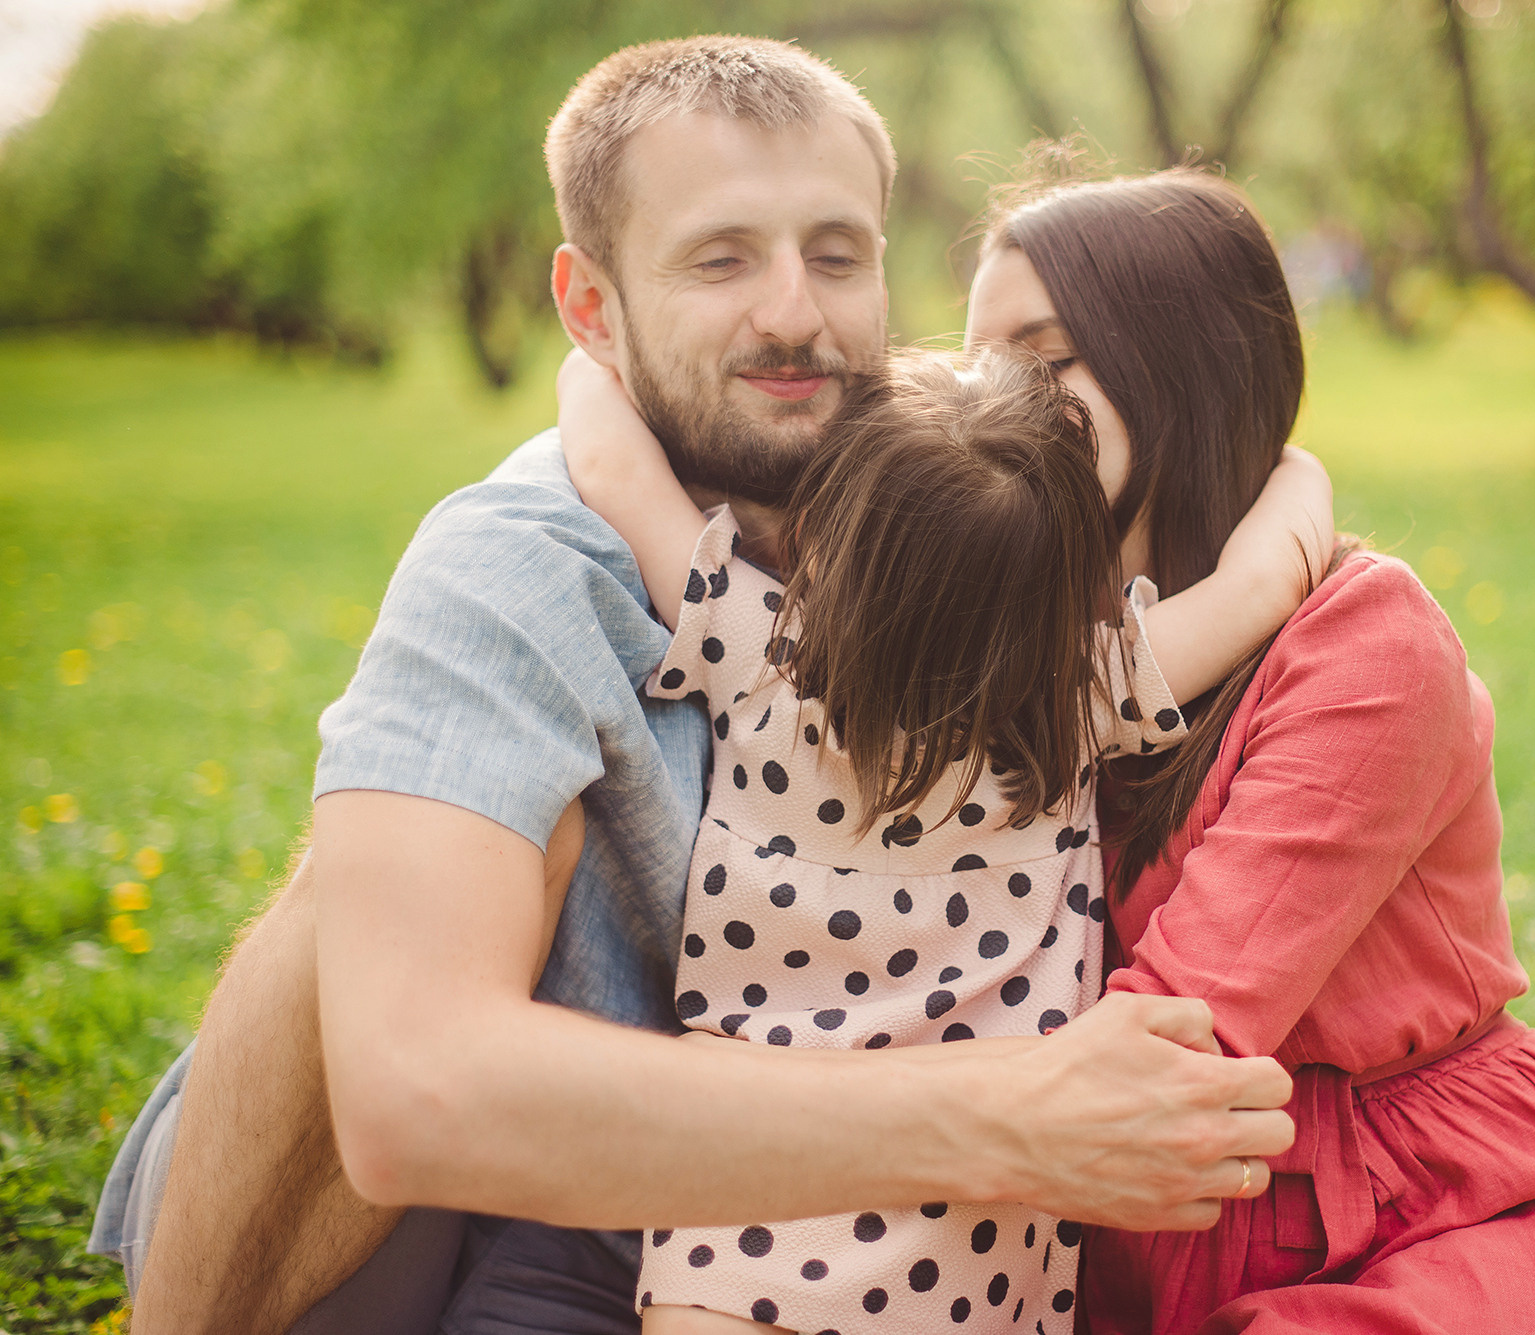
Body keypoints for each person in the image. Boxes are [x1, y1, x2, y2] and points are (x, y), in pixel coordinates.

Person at [90, 40, 1294, 1335]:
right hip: (419, 1231)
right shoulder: (524, 561)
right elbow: (411, 1094)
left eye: (837, 254)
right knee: (370, 884)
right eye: (721, 259)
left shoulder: (973, 550)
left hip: (780, 1244)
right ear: (592, 309)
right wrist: (1012, 1109)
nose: (794, 313)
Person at [962, 166, 1535, 1335]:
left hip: (1435, 1206)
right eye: (973, 360)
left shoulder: (1363, 642)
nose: (987, 399)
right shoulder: (1013, 650)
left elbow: (1182, 1036)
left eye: (1047, 355)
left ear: (1181, 367)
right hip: (1127, 1215)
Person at [553, 343, 1335, 1335]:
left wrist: (590, 361)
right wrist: (1298, 466)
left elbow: (610, 468)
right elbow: (1271, 577)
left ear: (814, 539)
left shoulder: (750, 652)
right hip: (966, 1260)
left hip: (739, 1218)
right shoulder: (1084, 701)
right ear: (1065, 590)